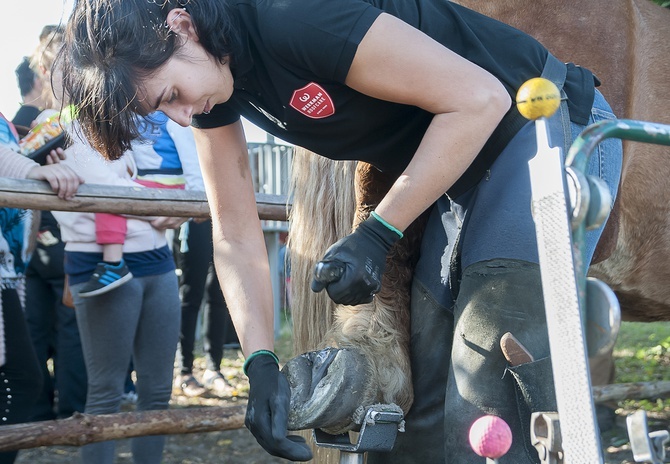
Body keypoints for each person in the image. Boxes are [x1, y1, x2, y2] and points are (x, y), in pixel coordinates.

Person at [59, 1, 623, 462]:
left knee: (487, 382)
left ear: (180, 24)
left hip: (543, 132)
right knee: (415, 398)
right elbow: (234, 232)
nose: (183, 117)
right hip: (458, 173)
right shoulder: (213, 81)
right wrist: (259, 364)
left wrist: (379, 232)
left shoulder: (289, 16)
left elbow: (480, 99)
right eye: (167, 111)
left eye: (171, 96)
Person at [51, 120, 184, 463]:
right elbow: (110, 188)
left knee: (157, 393)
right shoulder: (62, 127)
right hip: (98, 262)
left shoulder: (125, 126)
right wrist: (168, 203)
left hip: (158, 260)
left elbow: (129, 190)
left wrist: (167, 202)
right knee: (106, 392)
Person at [132, 110, 238, 397]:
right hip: (194, 209)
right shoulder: (170, 113)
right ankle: (185, 370)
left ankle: (214, 367)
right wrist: (195, 201)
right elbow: (190, 160)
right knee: (190, 292)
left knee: (218, 291)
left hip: (222, 204)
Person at [0, 114, 83, 464]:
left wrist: (30, 162)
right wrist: (30, 170)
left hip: (10, 267)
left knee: (21, 380)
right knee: (22, 381)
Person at [17, 25, 88, 423]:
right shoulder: (42, 121)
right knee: (44, 328)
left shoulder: (75, 119)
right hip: (39, 237)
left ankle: (66, 411)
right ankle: (52, 410)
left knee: (62, 324)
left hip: (63, 237)